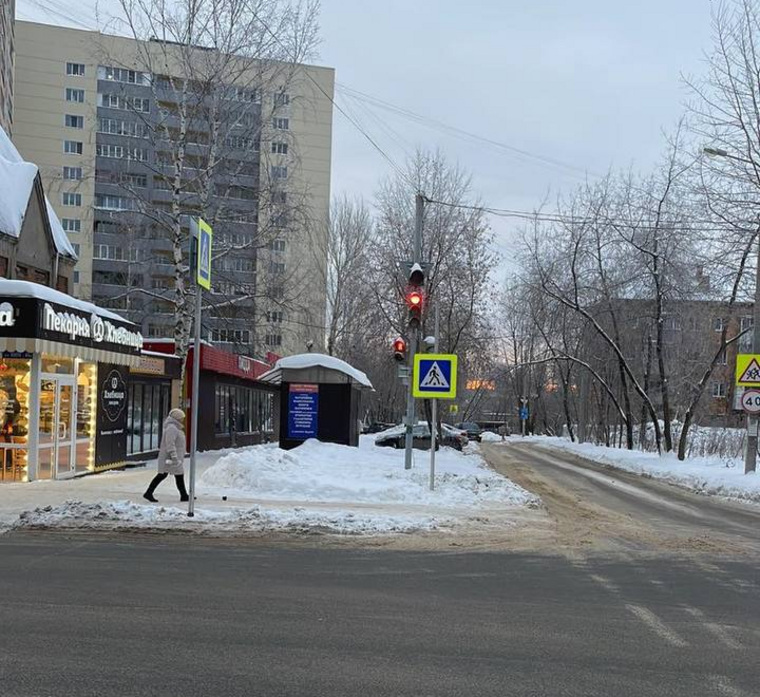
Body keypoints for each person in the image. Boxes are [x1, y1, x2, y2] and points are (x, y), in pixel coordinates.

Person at [143, 408, 188, 503]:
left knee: (177, 475)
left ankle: (184, 495)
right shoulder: (172, 428)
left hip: (173, 458)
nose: (183, 419)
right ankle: (148, 493)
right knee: (163, 474)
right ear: (177, 418)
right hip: (169, 458)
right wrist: (174, 456)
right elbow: (170, 443)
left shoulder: (175, 427)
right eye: (181, 418)